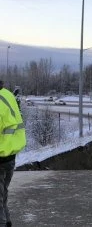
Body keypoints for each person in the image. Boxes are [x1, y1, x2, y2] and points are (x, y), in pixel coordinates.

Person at [0, 80, 26, 227]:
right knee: (2, 195)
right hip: (10, 155)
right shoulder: (7, 94)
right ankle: (7, 222)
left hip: (1, 154)